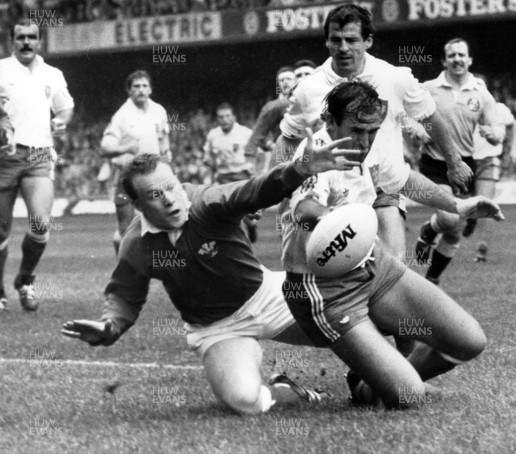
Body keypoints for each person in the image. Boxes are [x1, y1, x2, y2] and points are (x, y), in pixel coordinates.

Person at [61, 139, 361, 415]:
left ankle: (372, 377)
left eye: (171, 186)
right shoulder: (136, 245)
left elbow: (254, 190)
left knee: (350, 327)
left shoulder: (205, 201)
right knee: (245, 401)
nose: (168, 199)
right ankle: (284, 389)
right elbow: (125, 296)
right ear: (138, 205)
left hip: (267, 296)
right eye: (154, 195)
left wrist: (298, 170)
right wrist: (109, 326)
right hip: (217, 328)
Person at [281, 81, 504, 408]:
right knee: (408, 396)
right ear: (330, 121)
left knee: (469, 341)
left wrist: (457, 205)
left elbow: (405, 180)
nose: (364, 140)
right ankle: (378, 384)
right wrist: (337, 220)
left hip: (373, 267)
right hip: (325, 289)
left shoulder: (370, 149)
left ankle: (372, 377)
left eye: (371, 130)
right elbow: (304, 209)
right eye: (356, 129)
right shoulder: (315, 152)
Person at [278, 4, 473, 262]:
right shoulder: (308, 88)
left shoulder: (394, 78)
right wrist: (282, 182)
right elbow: (288, 137)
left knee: (392, 267)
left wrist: (454, 162)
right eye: (336, 40)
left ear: (368, 41)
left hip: (385, 186)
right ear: (326, 42)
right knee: (343, 268)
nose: (343, 47)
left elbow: (429, 117)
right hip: (333, 194)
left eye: (351, 40)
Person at [415, 38, 504, 284]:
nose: (457, 59)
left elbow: (497, 127)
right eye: (451, 55)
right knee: (450, 219)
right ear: (444, 60)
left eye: (461, 55)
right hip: (435, 163)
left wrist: (494, 134)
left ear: (469, 59)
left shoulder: (482, 94)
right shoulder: (429, 88)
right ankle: (431, 228)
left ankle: (432, 279)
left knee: (454, 234)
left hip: (465, 165)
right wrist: (417, 128)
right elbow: (404, 114)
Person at [0, 20, 74, 311]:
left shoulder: (52, 74)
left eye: (32, 37)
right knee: (1, 230)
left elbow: (65, 106)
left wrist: (61, 121)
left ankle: (26, 280)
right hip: (4, 156)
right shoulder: (1, 70)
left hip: (40, 153)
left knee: (41, 223)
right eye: (21, 37)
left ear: (40, 41)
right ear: (12, 41)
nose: (27, 42)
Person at [101, 70, 170, 254]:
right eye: (136, 86)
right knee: (127, 228)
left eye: (144, 86)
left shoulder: (159, 111)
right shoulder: (121, 116)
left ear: (150, 89)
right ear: (129, 91)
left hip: (151, 176)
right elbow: (105, 148)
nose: (141, 90)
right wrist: (125, 148)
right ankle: (125, 264)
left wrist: (166, 158)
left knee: (161, 222)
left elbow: (163, 138)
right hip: (126, 178)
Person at [464, 76, 516, 262]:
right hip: (464, 161)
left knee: (486, 203)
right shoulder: (461, 109)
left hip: (489, 160)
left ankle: (482, 248)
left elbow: (515, 126)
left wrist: (513, 149)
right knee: (466, 204)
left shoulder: (499, 109)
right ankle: (471, 217)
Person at [245, 62, 316, 175]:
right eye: (282, 80)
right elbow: (259, 131)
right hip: (286, 154)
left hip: (314, 153)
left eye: (288, 79)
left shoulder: (324, 99)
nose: (286, 83)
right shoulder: (279, 105)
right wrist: (250, 158)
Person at [204, 103, 256, 241]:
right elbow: (208, 156)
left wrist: (253, 166)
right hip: (223, 177)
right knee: (223, 212)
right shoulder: (213, 135)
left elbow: (260, 152)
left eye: (227, 116)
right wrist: (210, 165)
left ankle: (250, 225)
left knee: (244, 211)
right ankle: (230, 240)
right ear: (217, 119)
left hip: (241, 176)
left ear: (234, 117)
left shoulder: (246, 133)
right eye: (221, 117)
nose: (224, 120)